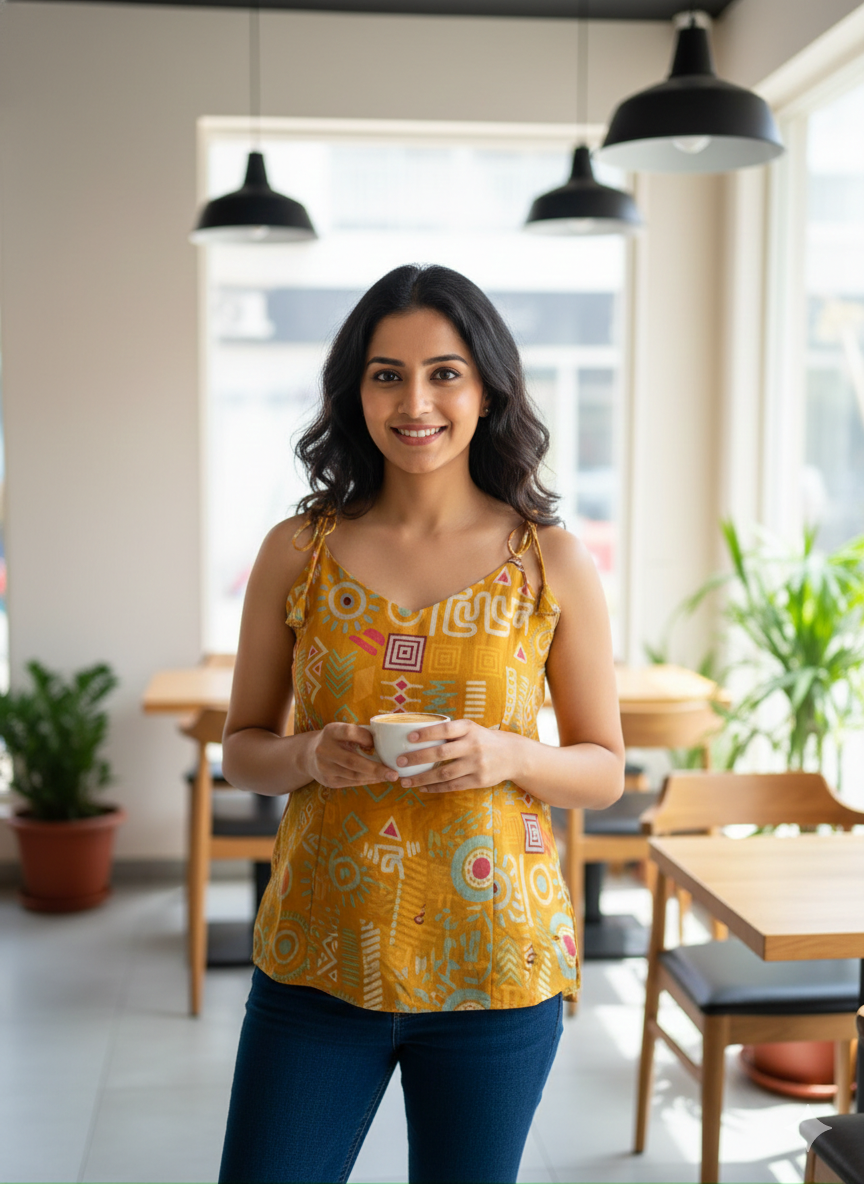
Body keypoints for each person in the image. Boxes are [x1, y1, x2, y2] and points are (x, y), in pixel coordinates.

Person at [218, 263, 624, 1184]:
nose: (415, 403)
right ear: (354, 392)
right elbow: (243, 751)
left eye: (444, 373)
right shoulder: (298, 550)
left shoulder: (550, 560)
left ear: (488, 388)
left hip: (497, 966)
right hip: (317, 953)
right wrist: (308, 754)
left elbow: (604, 769)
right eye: (386, 374)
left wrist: (507, 753)